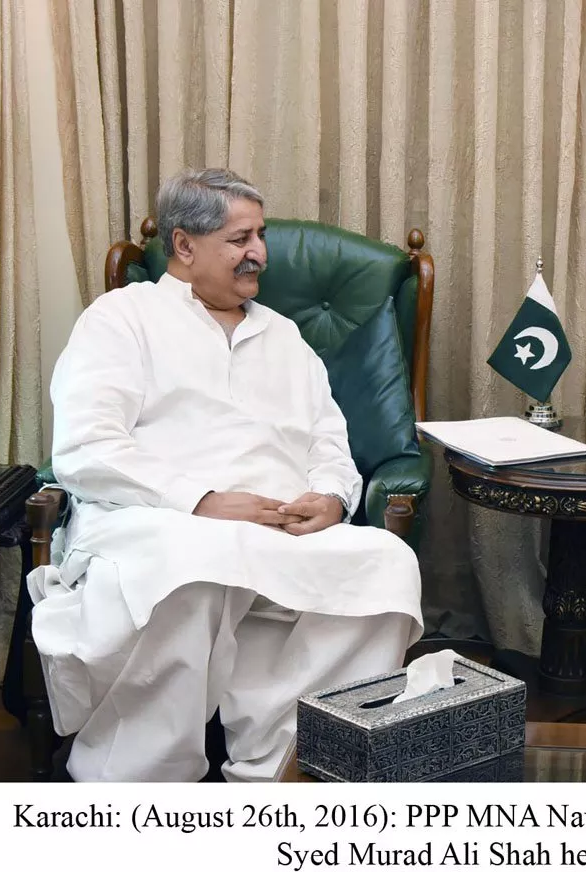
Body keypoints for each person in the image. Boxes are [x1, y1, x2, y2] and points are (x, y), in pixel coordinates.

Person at [28, 168, 422, 782]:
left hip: (281, 532)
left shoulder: (284, 336)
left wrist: (331, 497)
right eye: (240, 239)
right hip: (158, 524)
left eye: (259, 236)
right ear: (184, 246)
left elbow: (329, 440)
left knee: (387, 564)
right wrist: (201, 500)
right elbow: (87, 447)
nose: (259, 253)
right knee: (195, 566)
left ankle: (285, 769)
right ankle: (140, 784)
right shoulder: (121, 319)